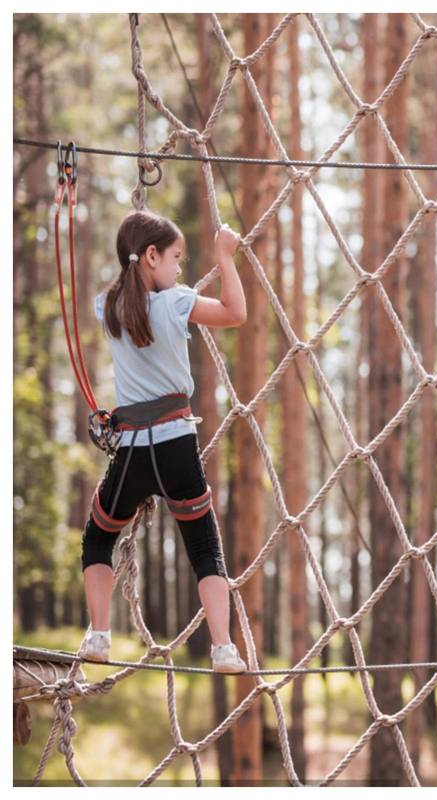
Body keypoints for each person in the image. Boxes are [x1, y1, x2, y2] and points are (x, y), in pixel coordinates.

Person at [79, 209, 248, 674]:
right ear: (151, 256)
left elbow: (128, 299)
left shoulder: (106, 306)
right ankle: (222, 648)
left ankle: (98, 634)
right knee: (204, 547)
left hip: (132, 450)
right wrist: (225, 257)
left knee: (98, 538)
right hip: (176, 445)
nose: (179, 268)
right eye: (176, 258)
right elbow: (236, 313)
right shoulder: (175, 302)